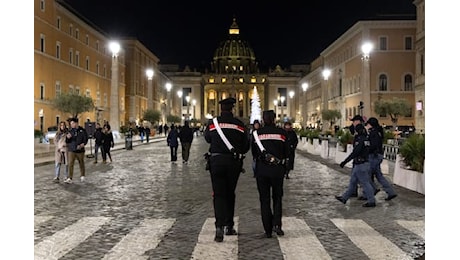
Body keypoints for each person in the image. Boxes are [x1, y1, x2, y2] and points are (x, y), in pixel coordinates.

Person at [204, 97, 250, 242]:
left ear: (221, 109)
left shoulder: (213, 123)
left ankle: (219, 226)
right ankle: (229, 226)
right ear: (233, 109)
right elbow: (246, 146)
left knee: (218, 194)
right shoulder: (240, 124)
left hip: (216, 161)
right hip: (233, 163)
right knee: (230, 193)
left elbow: (207, 139)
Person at [252, 110, 289, 238]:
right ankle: (277, 225)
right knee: (277, 198)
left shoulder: (257, 134)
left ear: (263, 119)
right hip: (278, 170)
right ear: (274, 119)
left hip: (262, 170)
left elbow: (254, 153)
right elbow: (287, 152)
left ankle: (267, 230)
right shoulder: (282, 133)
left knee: (264, 200)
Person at [335, 123, 376, 207]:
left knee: (365, 183)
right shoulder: (366, 140)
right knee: (353, 182)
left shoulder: (360, 140)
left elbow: (355, 153)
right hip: (363, 163)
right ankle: (344, 198)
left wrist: (345, 162)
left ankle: (371, 200)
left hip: (361, 164)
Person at [362, 117, 398, 201]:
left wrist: (367, 149)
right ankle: (390, 192)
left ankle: (373, 190)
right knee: (378, 175)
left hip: (373, 156)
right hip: (378, 155)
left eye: (368, 124)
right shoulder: (378, 132)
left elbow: (373, 146)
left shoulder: (373, 133)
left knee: (367, 175)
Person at [65, 117, 89, 184]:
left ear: (76, 123)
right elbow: (67, 141)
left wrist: (82, 144)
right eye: (71, 124)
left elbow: (85, 139)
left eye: (72, 123)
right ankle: (70, 178)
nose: (71, 125)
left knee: (81, 162)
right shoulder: (70, 131)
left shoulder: (82, 130)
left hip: (80, 150)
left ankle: (82, 176)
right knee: (70, 164)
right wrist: (67, 138)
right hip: (71, 150)